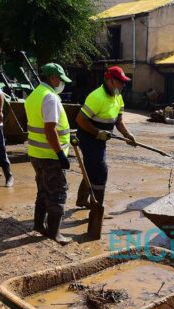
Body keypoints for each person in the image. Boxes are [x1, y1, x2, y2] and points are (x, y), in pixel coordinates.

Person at [75, 66, 136, 208]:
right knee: (101, 171)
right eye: (121, 81)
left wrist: (127, 134)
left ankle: (82, 199)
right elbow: (80, 119)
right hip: (88, 138)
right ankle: (97, 206)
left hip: (101, 138)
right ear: (111, 81)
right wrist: (97, 133)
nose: (123, 85)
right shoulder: (97, 97)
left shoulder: (118, 97)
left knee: (91, 169)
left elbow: (119, 121)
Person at [24, 63, 72, 245]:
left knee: (43, 190)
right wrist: (61, 154)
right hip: (50, 156)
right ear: (53, 78)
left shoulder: (34, 95)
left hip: (36, 153)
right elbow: (50, 129)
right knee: (58, 194)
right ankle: (55, 233)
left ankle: (38, 225)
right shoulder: (50, 98)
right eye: (60, 79)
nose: (61, 83)